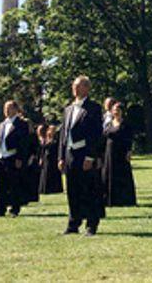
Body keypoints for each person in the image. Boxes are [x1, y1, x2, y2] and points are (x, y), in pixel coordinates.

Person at [59, 76, 105, 235]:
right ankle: (73, 223)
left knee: (89, 189)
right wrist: (61, 157)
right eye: (74, 86)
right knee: (73, 190)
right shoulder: (68, 109)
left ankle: (91, 224)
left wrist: (90, 157)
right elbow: (63, 135)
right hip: (70, 154)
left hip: (84, 153)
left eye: (78, 86)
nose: (75, 89)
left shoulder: (93, 108)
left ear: (87, 88)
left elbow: (96, 134)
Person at [0, 100, 30, 217]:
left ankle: (15, 209)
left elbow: (24, 143)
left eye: (9, 108)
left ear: (15, 109)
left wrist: (20, 158)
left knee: (14, 184)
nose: (6, 110)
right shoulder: (2, 124)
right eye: (5, 108)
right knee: (0, 186)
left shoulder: (21, 124)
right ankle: (0, 209)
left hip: (12, 157)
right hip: (1, 157)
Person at [102, 101, 137, 206]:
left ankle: (124, 199)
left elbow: (129, 139)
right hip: (109, 152)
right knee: (109, 174)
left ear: (122, 111)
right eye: (114, 110)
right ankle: (109, 199)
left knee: (122, 175)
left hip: (121, 152)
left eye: (117, 110)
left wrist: (129, 151)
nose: (115, 112)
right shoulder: (108, 124)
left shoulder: (126, 124)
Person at [39, 125, 63, 194]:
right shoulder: (46, 139)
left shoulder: (56, 139)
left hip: (54, 158)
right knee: (45, 173)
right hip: (46, 158)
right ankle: (45, 189)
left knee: (54, 173)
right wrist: (41, 158)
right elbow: (43, 149)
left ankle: (55, 189)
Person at [24, 124, 42, 203]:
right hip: (24, 159)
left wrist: (33, 158)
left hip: (32, 159)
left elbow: (37, 148)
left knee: (33, 180)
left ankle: (33, 197)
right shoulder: (23, 135)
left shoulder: (33, 136)